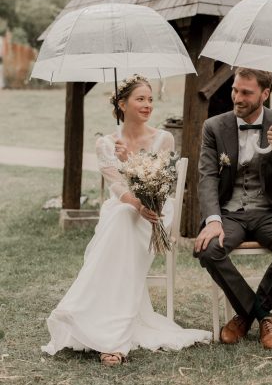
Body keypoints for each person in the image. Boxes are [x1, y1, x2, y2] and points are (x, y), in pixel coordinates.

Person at [42, 74, 211, 365]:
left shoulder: (164, 138)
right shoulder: (106, 144)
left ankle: (97, 323)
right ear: (122, 104)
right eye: (140, 99)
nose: (147, 105)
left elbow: (162, 183)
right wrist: (126, 172)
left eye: (150, 100)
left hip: (156, 210)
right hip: (124, 208)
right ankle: (109, 332)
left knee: (123, 220)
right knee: (122, 215)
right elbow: (118, 188)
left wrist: (142, 195)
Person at [194, 68, 272, 349]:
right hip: (230, 214)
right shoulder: (215, 127)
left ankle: (244, 316)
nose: (237, 97)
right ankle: (259, 314)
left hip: (269, 212)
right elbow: (207, 177)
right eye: (235, 90)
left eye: (246, 92)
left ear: (265, 94)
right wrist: (214, 220)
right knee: (208, 248)